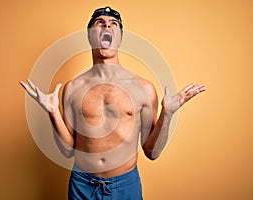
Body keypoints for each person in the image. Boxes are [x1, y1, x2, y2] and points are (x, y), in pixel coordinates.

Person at [20, 6, 205, 200]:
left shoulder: (144, 88)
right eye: (99, 22)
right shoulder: (73, 88)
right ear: (90, 36)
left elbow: (152, 152)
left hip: (126, 187)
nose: (107, 25)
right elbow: (67, 151)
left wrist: (167, 114)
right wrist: (53, 112)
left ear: (119, 38)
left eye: (113, 24)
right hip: (82, 185)